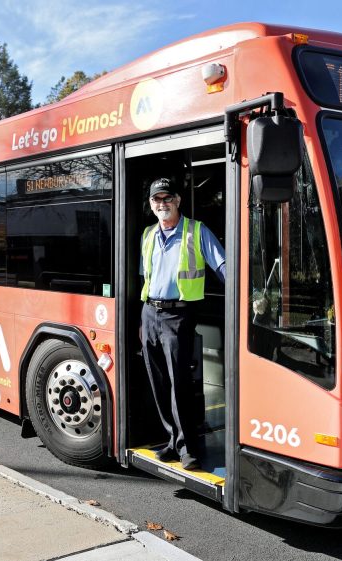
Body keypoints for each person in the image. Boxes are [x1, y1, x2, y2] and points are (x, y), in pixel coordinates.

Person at [139, 177, 225, 470]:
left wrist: (245, 300)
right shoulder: (149, 234)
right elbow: (146, 277)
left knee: (180, 385)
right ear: (151, 205)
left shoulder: (196, 231)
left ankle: (189, 448)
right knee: (159, 382)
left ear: (177, 200)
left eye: (167, 198)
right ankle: (172, 441)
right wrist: (144, 317)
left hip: (179, 317)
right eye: (156, 200)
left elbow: (223, 266)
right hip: (150, 314)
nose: (162, 204)